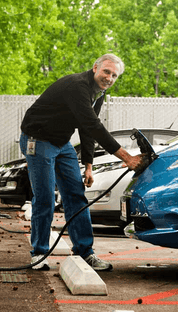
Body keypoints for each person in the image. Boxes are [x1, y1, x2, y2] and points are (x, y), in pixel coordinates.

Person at [19, 53, 143, 271]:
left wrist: (88, 166)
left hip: (61, 142)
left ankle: (85, 252)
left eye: (114, 75)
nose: (109, 78)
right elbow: (93, 125)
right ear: (95, 68)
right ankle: (38, 253)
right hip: (37, 140)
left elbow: (87, 130)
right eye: (106, 71)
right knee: (46, 198)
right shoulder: (77, 87)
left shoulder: (99, 93)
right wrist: (127, 158)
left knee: (76, 196)